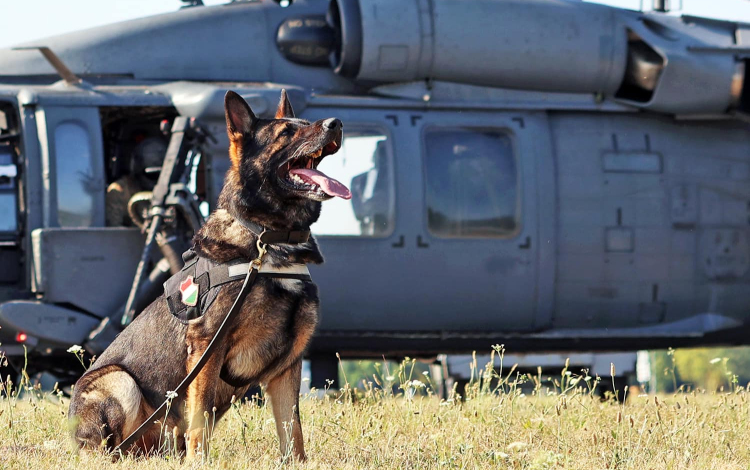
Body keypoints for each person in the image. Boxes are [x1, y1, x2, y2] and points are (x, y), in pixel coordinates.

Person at [105, 137, 166, 227]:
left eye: (159, 175)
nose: (155, 181)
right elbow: (114, 230)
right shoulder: (120, 191)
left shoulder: (169, 190)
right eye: (152, 176)